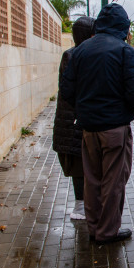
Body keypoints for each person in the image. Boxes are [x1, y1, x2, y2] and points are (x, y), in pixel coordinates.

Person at [60, 3, 134, 245]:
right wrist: (125, 112)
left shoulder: (80, 51)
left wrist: (84, 109)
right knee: (114, 180)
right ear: (123, 26)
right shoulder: (125, 51)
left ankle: (94, 226)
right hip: (115, 129)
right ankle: (107, 231)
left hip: (88, 128)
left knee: (92, 179)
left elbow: (66, 90)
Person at [53, 16, 95, 220]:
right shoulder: (75, 56)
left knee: (82, 161)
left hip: (73, 117)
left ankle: (83, 203)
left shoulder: (71, 54)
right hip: (75, 119)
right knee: (79, 162)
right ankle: (80, 205)